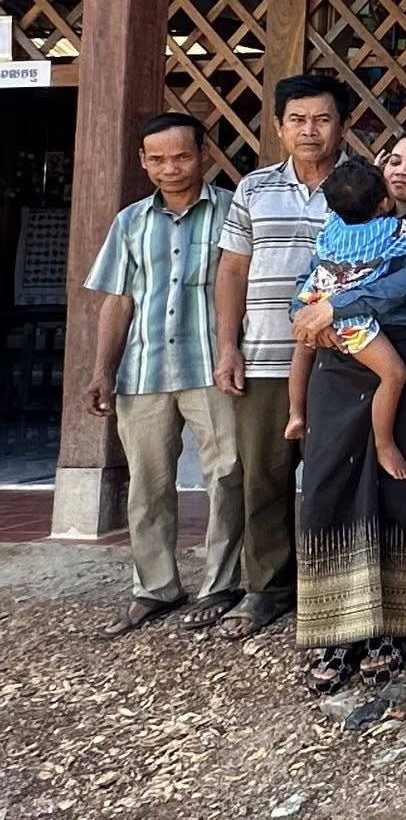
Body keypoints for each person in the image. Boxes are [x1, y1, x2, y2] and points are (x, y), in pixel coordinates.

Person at [288, 128, 406, 690]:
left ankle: (395, 627)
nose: (405, 170)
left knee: (404, 489)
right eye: (397, 161)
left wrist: (333, 308)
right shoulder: (340, 225)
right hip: (338, 360)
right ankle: (335, 631)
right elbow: (306, 286)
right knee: (329, 484)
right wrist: (309, 315)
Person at [84, 113, 242, 638]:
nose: (170, 168)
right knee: (147, 486)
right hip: (143, 369)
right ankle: (155, 588)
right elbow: (117, 300)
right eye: (157, 159)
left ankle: (221, 584)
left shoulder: (233, 211)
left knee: (227, 476)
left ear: (204, 155)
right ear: (143, 161)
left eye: (181, 157)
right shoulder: (130, 221)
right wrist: (102, 371)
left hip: (212, 366)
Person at [212, 72, 350, 641]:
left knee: (336, 479)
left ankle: (333, 588)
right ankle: (267, 588)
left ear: (342, 124)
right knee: (262, 479)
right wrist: (228, 346)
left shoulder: (364, 185)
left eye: (322, 119)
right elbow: (232, 269)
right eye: (297, 120)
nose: (309, 130)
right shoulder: (253, 188)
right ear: (278, 127)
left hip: (343, 359)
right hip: (265, 354)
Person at [285, 158, 406, 482]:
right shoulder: (387, 230)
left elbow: (348, 196)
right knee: (394, 374)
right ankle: (385, 444)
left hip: (315, 301)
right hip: (350, 314)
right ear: (384, 202)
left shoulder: (332, 225)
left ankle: (295, 412)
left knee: (303, 346)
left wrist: (369, 175)